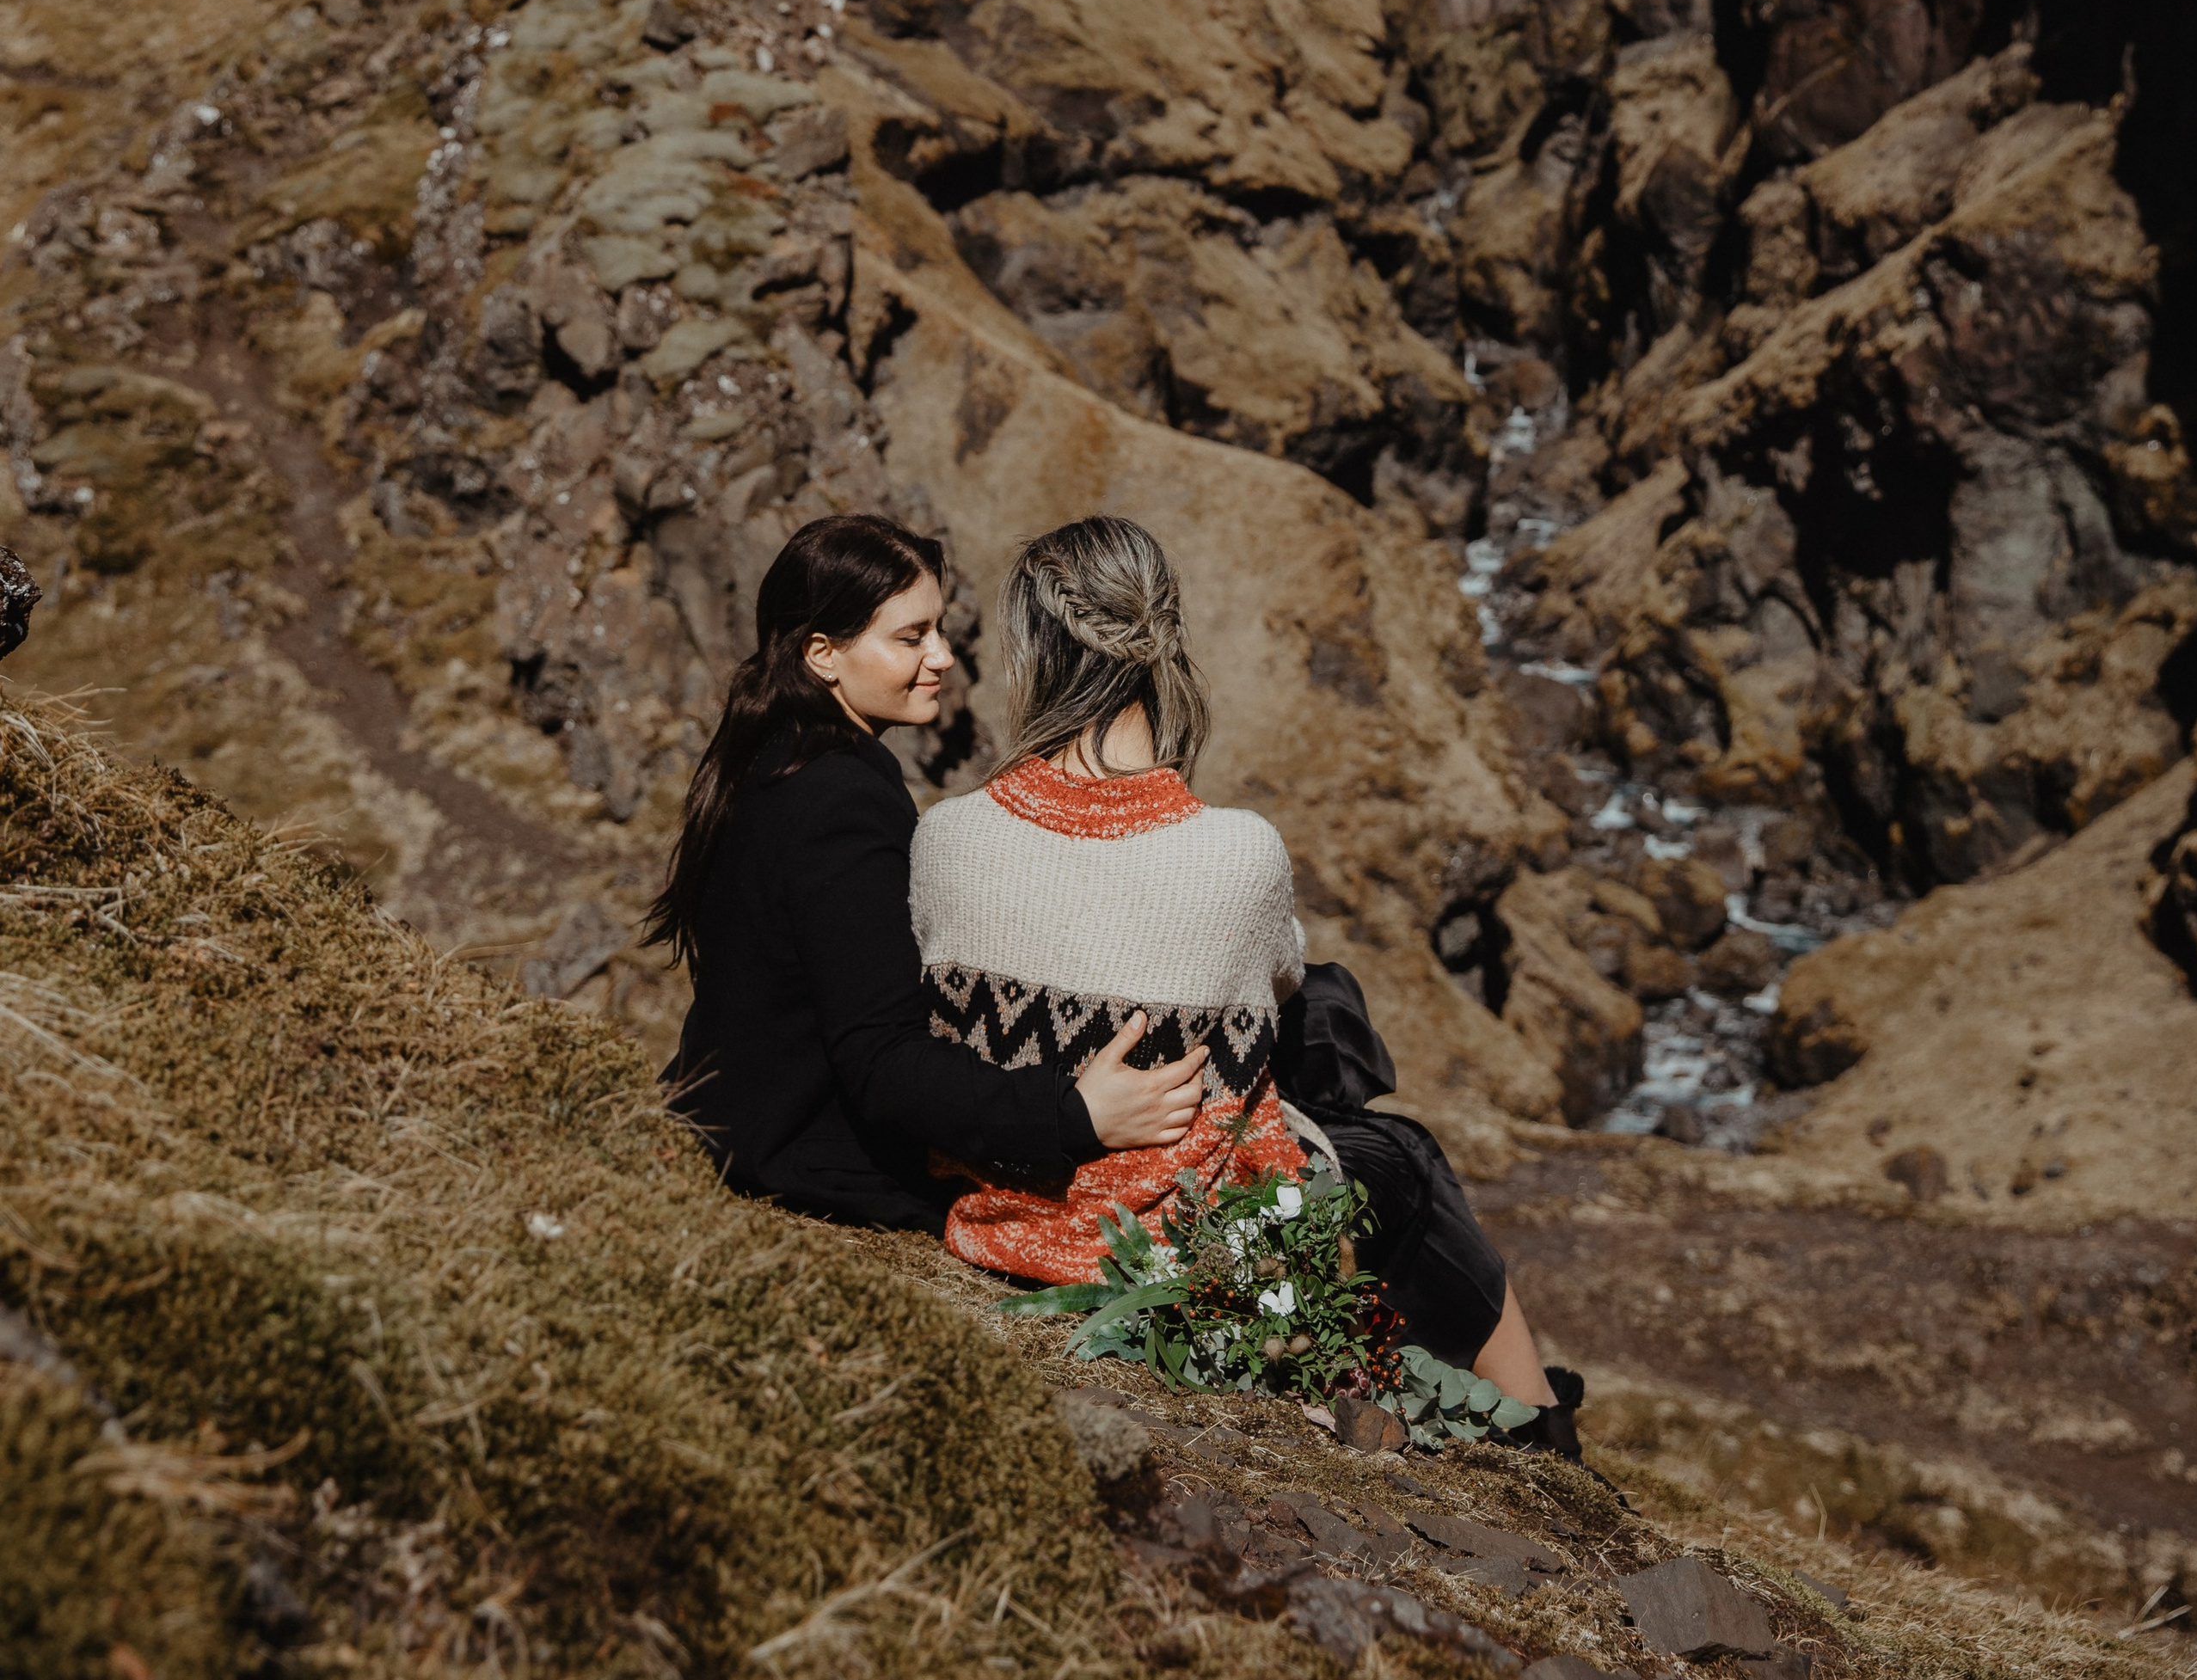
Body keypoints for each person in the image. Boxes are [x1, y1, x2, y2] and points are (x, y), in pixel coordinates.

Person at [908, 512, 1580, 1454]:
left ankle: (1524, 1420)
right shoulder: (1237, 852)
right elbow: (1285, 976)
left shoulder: (943, 835)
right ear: (1162, 641)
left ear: (1032, 649)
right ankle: (1545, 1435)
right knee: (1399, 1148)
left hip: (1000, 1224)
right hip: (1178, 1260)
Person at [649, 513, 1209, 1230]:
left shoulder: (769, 755)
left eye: (939, 629)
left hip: (740, 1126)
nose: (943, 655)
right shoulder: (838, 798)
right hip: (803, 1163)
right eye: (910, 638)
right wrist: (1073, 1112)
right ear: (823, 653)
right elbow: (881, 1057)